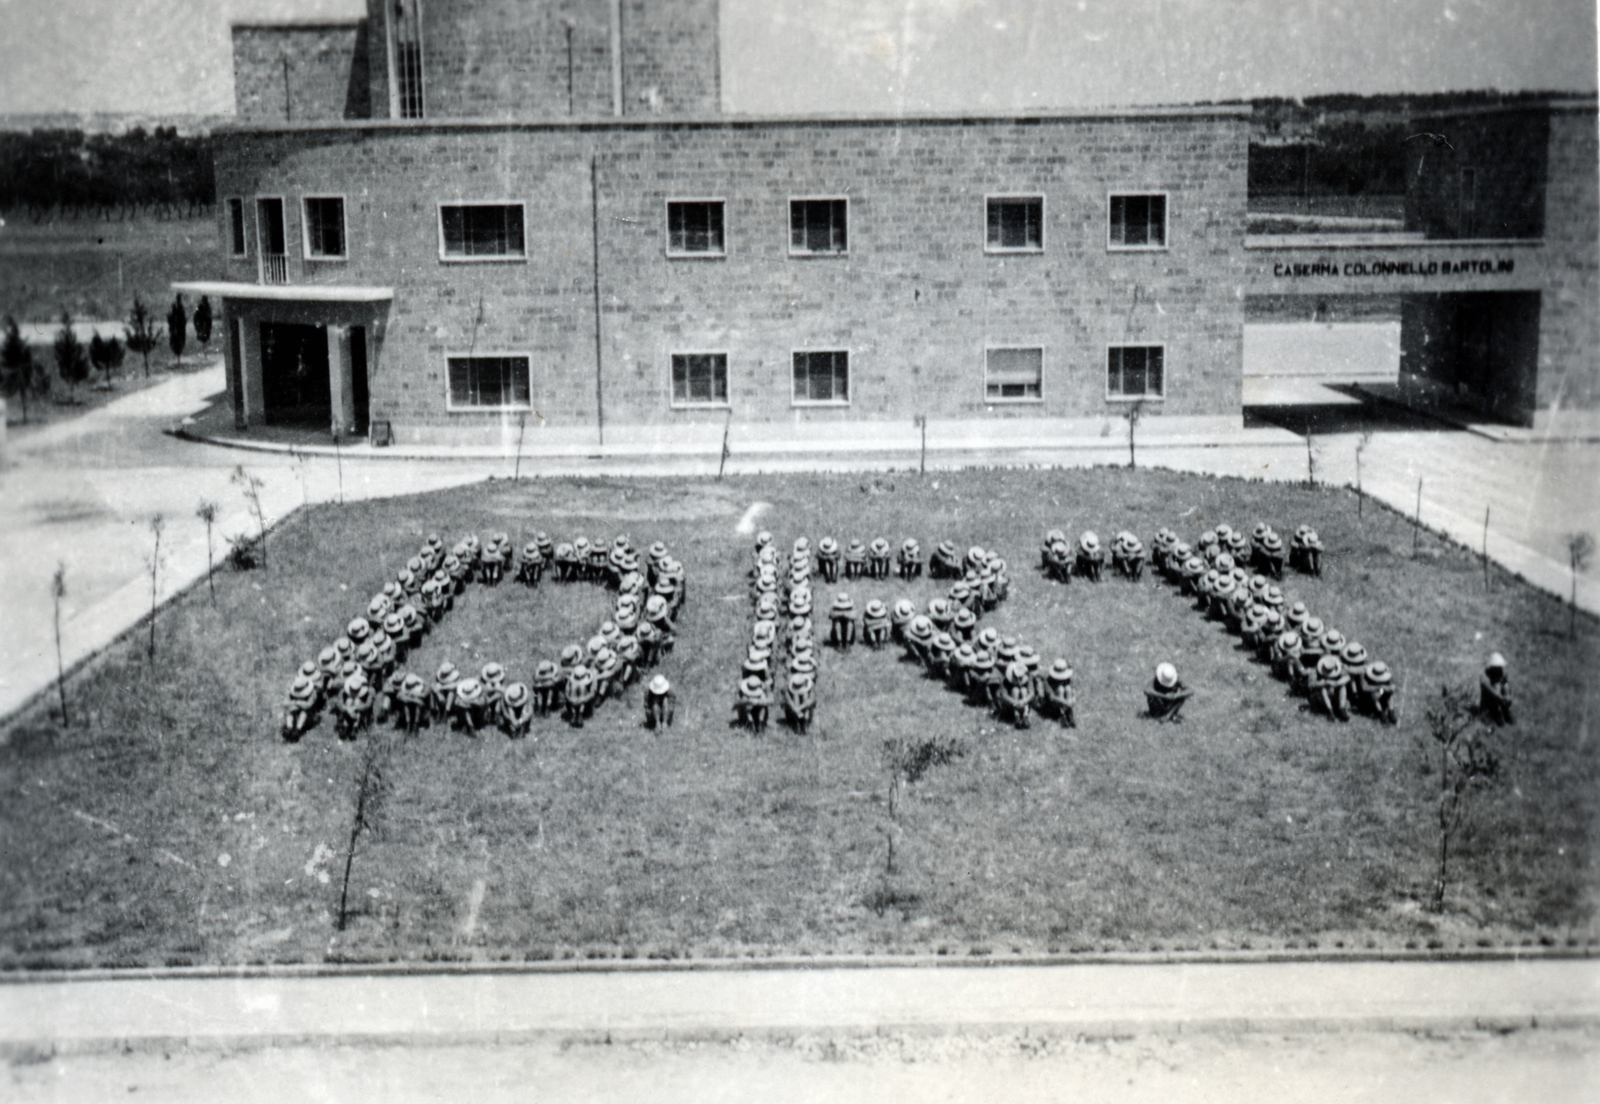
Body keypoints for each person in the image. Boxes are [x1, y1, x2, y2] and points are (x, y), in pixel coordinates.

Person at [1310, 653, 1352, 721]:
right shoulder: (1315, 670)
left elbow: (1348, 677)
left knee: (1342, 686)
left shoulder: (1339, 667)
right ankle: (1330, 711)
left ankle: (1342, 709)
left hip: (1334, 695)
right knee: (1323, 689)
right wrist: (1324, 682)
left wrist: (1336, 683)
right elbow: (1311, 684)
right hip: (1320, 698)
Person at [1357, 660, 1398, 724]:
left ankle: (1391, 712)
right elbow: (1364, 688)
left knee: (1390, 694)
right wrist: (1380, 687)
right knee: (1374, 696)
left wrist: (1389, 688)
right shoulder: (1364, 673)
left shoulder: (1388, 673)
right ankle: (1381, 713)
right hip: (1369, 694)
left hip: (1382, 690)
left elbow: (1393, 685)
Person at [1480, 652, 1514, 725]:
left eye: (1500, 667)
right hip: (1488, 703)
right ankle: (1495, 714)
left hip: (1499, 699)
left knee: (1500, 684)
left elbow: (1505, 685)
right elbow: (1491, 691)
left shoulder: (1501, 674)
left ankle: (1505, 712)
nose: (1499, 669)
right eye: (1497, 668)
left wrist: (1507, 696)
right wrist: (1501, 698)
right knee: (1497, 686)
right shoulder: (1484, 676)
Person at [1040, 659, 1076, 727]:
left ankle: (1069, 713)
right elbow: (1052, 697)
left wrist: (1073, 700)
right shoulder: (1048, 681)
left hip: (1066, 701)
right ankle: (1062, 714)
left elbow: (1073, 691)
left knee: (1068, 688)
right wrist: (1066, 703)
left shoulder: (1067, 679)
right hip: (1054, 703)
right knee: (1060, 689)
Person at [282, 673, 318, 740]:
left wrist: (297, 703)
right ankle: (289, 728)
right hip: (294, 706)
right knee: (289, 710)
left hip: (307, 709)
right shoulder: (290, 689)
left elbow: (309, 704)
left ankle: (297, 730)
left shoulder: (313, 692)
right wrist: (294, 705)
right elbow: (285, 702)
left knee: (304, 713)